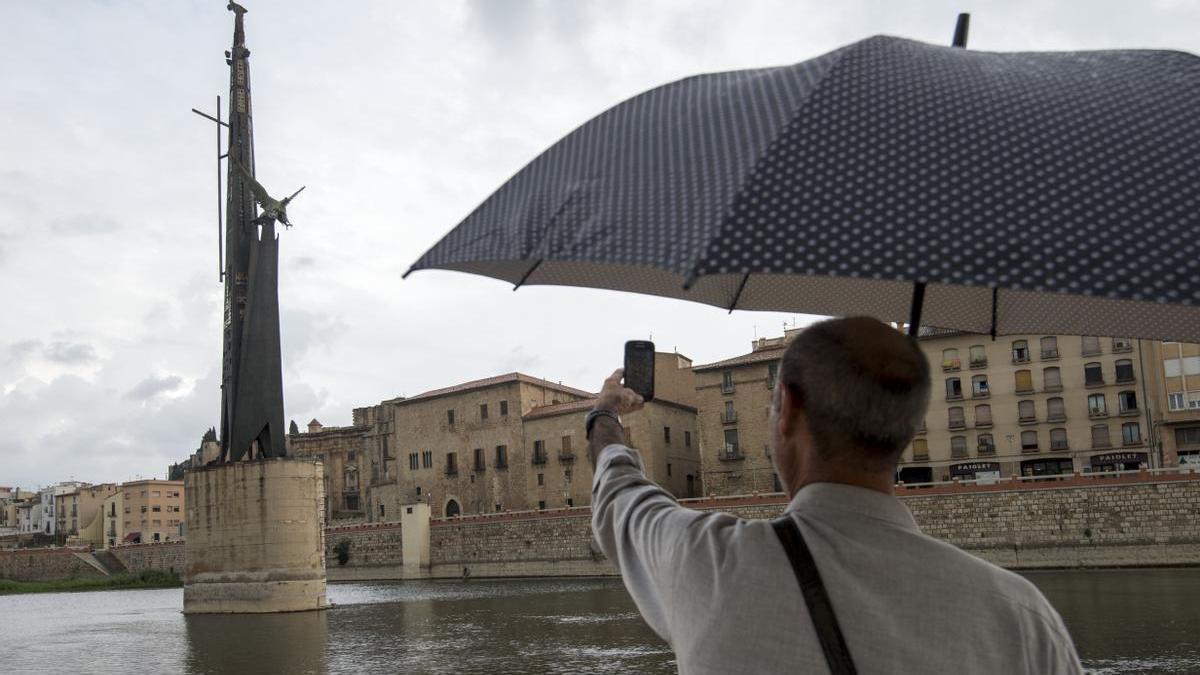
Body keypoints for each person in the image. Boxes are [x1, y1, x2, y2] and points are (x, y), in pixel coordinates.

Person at [587, 316, 1082, 674]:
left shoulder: (708, 563)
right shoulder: (1023, 617)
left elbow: (620, 495)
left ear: (789, 412)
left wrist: (604, 414)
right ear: (905, 429)